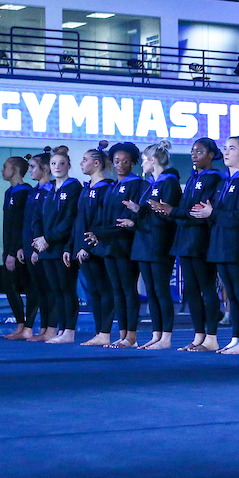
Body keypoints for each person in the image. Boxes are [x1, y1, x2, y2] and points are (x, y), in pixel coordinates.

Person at [151, 138, 223, 352]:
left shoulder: (214, 177)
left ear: (211, 155)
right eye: (193, 151)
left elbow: (198, 210)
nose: (194, 155)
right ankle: (198, 335)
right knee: (191, 290)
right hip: (185, 239)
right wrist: (169, 210)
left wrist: (171, 210)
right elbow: (184, 207)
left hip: (201, 240)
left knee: (206, 288)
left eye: (199, 151)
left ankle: (212, 337)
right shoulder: (194, 177)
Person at [193, 136, 239, 355]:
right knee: (230, 295)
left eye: (232, 149)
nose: (227, 152)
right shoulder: (224, 182)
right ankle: (235, 337)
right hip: (220, 244)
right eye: (225, 148)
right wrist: (208, 212)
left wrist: (212, 213)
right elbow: (215, 212)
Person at [120, 140, 182, 350]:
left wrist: (145, 211)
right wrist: (136, 215)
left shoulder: (169, 182)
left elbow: (169, 215)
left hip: (159, 243)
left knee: (161, 289)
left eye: (145, 160)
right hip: (144, 241)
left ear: (153, 160)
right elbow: (147, 212)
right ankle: (156, 334)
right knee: (152, 292)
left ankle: (166, 336)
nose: (142, 164)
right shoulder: (150, 185)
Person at [92, 144, 147, 348]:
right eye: (116, 161)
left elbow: (133, 216)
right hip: (109, 245)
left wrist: (105, 232)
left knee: (128, 290)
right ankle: (123, 335)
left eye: (125, 161)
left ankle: (131, 336)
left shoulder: (137, 184)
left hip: (125, 244)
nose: (120, 165)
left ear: (133, 162)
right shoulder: (112, 186)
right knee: (117, 291)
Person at [31, 147, 82, 344]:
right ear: (49, 167)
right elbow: (37, 216)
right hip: (46, 248)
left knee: (66, 289)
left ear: (68, 165)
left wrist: (49, 238)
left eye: (62, 163)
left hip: (62, 247)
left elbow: (69, 219)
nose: (57, 167)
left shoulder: (73, 188)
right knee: (55, 290)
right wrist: (38, 240)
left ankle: (69, 330)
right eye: (54, 164)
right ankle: (61, 329)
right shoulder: (48, 190)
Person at [69, 145, 116, 346]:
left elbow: (99, 221)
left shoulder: (105, 188)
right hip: (82, 248)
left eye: (85, 159)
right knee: (94, 292)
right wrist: (72, 246)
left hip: (97, 248)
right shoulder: (86, 188)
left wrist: (87, 246)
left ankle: (105, 331)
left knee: (104, 290)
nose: (81, 163)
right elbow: (79, 220)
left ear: (97, 163)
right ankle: (99, 331)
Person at [0, 155, 35, 340]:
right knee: (9, 286)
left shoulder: (24, 192)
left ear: (15, 170)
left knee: (28, 287)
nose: (2, 170)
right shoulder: (10, 192)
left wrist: (15, 250)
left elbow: (21, 224)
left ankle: (28, 326)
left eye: (5, 167)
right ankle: (20, 324)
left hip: (20, 250)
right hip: (9, 247)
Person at [22, 151, 55, 342]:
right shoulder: (34, 191)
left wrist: (37, 248)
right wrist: (22, 246)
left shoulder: (50, 191)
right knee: (40, 290)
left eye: (33, 167)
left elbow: (44, 222)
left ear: (45, 168)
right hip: (30, 246)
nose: (30, 170)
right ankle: (43, 328)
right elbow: (28, 221)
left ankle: (51, 328)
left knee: (49, 290)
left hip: (43, 248)